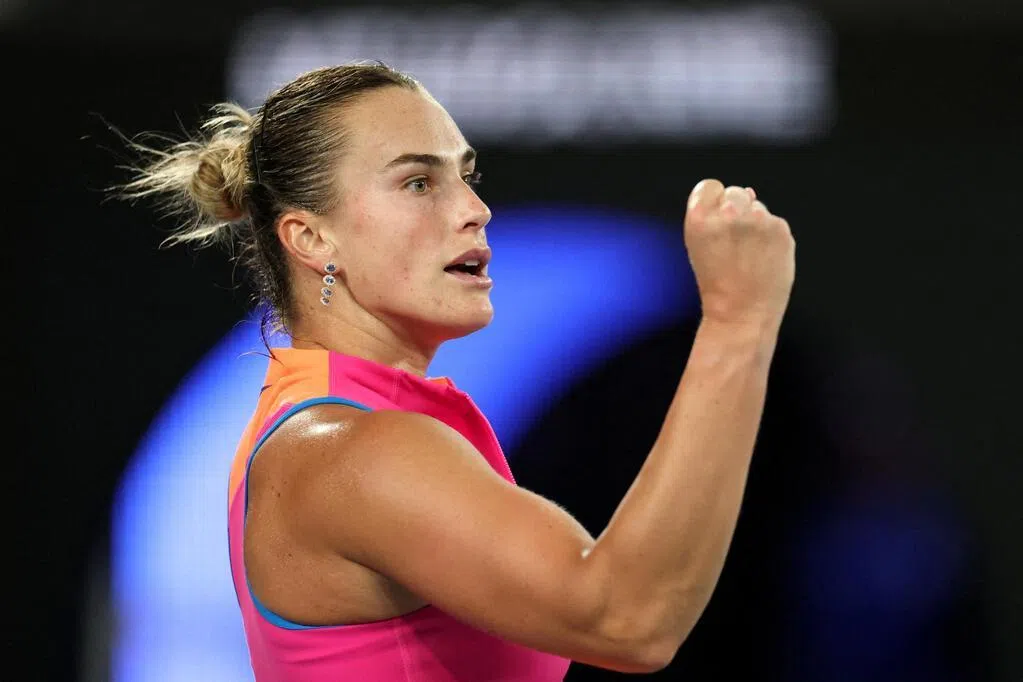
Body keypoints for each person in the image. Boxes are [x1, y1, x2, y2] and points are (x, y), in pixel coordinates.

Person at [116, 62, 795, 681]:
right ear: (312, 238)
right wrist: (736, 323)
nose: (474, 209)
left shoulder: (348, 428)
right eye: (418, 182)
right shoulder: (349, 449)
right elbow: (626, 618)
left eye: (465, 176)